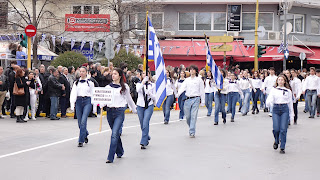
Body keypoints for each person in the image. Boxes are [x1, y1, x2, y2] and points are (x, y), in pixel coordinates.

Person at [104, 68, 137, 163]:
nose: (113, 75)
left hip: (120, 111)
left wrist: (134, 109)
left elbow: (129, 99)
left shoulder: (124, 87)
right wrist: (100, 104)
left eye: (115, 74)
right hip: (110, 111)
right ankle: (120, 151)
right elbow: (104, 100)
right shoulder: (108, 87)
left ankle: (110, 157)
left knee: (114, 134)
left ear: (119, 75)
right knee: (116, 133)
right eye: (112, 74)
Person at [266, 74, 294, 154]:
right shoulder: (273, 90)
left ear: (285, 81)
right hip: (276, 109)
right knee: (276, 129)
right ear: (277, 81)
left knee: (283, 129)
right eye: (279, 80)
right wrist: (269, 103)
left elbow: (290, 104)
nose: (280, 81)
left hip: (284, 109)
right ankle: (276, 140)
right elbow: (269, 99)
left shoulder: (288, 91)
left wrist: (292, 116)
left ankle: (282, 147)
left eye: (282, 80)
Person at [70, 67, 95, 147]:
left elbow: (93, 94)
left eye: (83, 71)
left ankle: (80, 140)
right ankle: (85, 133)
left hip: (87, 100)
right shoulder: (76, 83)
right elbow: (73, 93)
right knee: (80, 122)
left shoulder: (90, 83)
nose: (81, 73)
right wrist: (72, 104)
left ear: (86, 72)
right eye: (80, 71)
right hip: (79, 101)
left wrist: (94, 107)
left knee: (84, 120)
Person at [177, 65, 205, 137]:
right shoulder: (187, 80)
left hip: (196, 98)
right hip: (187, 99)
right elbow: (182, 88)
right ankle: (191, 127)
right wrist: (178, 94)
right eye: (190, 69)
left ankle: (192, 132)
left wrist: (203, 101)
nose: (192, 71)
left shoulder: (199, 80)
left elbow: (202, 90)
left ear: (196, 71)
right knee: (188, 117)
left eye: (193, 69)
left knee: (193, 115)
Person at [136, 71, 155, 149]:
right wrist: (143, 82)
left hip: (149, 105)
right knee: (142, 124)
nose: (145, 75)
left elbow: (155, 97)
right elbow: (137, 90)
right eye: (143, 73)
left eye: (147, 73)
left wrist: (150, 93)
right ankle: (146, 135)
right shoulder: (139, 84)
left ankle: (143, 142)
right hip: (140, 105)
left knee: (145, 122)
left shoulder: (153, 85)